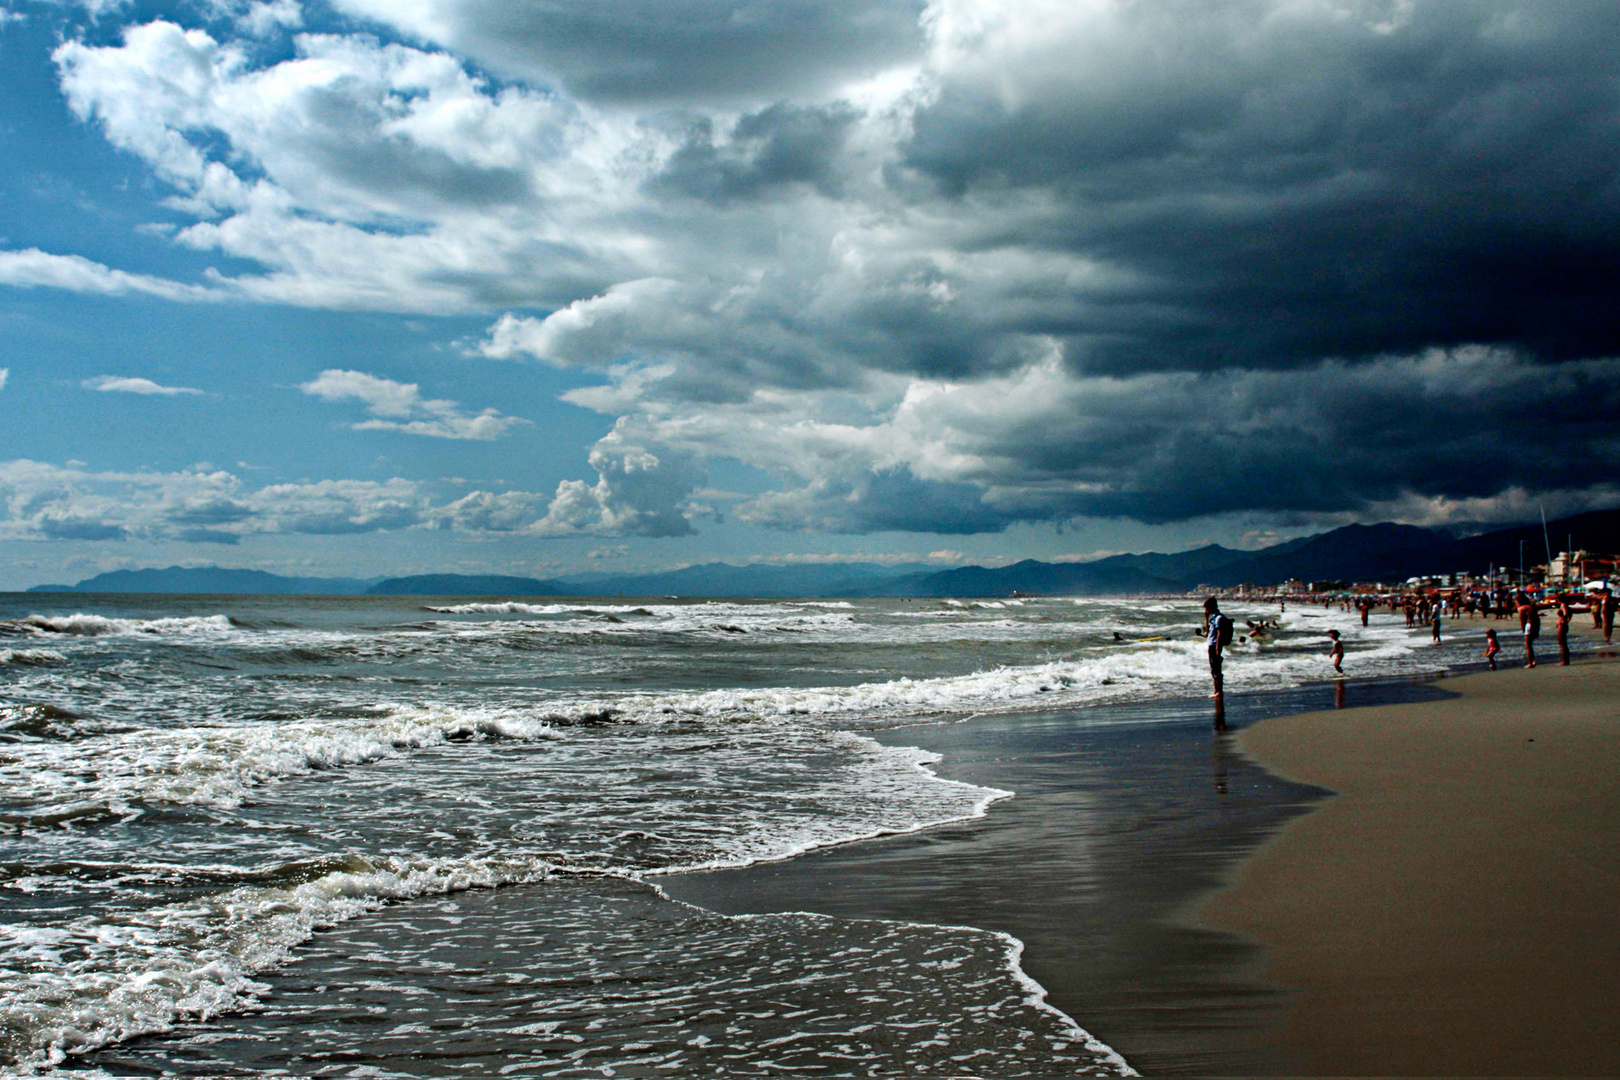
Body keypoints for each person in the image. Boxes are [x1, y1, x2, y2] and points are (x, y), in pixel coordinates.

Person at [1203, 596, 1228, 699]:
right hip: (1212, 645)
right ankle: (1216, 691)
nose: (1206, 610)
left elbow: (1220, 634)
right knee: (1214, 669)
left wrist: (1218, 649)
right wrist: (1206, 618)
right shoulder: (1213, 618)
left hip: (1215, 646)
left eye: (1207, 608)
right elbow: (1207, 633)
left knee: (1217, 670)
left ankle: (1219, 691)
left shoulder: (1219, 618)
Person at [1516, 592, 1540, 669]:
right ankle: (1533, 660)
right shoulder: (1530, 607)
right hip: (1535, 625)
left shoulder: (1521, 608)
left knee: (1528, 645)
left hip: (1529, 625)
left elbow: (1522, 620)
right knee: (1530, 644)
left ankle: (1531, 662)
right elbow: (1536, 618)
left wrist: (1523, 630)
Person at [1556, 598, 1572, 667]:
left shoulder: (1564, 605)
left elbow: (1566, 614)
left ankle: (1565, 661)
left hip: (1562, 625)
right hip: (1563, 625)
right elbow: (1569, 616)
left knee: (1562, 643)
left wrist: (1562, 621)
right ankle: (1565, 660)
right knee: (1563, 643)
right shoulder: (1566, 606)